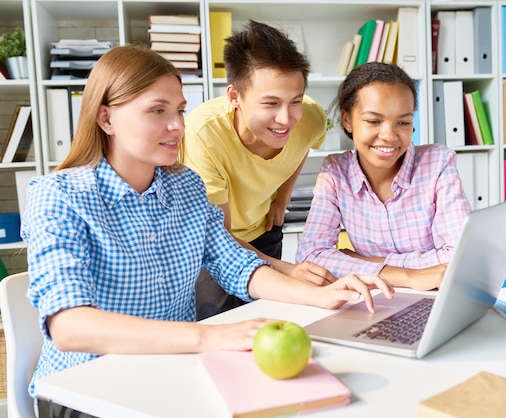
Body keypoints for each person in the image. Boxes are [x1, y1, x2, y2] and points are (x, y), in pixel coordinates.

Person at [20, 45, 394, 405]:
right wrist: (210, 336)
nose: (176, 126)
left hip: (176, 374)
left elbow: (235, 263)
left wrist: (324, 294)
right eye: (157, 111)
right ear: (106, 118)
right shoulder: (58, 196)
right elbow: (69, 327)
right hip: (87, 389)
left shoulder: (185, 186)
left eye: (180, 110)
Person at [184, 20, 335, 316]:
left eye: (295, 101)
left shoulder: (311, 119)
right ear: (234, 97)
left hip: (264, 228)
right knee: (223, 325)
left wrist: (282, 198)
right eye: (270, 103)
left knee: (269, 320)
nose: (286, 118)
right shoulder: (204, 134)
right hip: (214, 242)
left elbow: (303, 146)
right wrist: (285, 270)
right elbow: (221, 237)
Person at [296, 62, 472, 291]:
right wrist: (406, 276)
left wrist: (368, 262)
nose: (389, 135)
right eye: (374, 121)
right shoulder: (335, 172)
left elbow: (460, 257)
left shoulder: (437, 163)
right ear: (348, 119)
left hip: (436, 298)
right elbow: (310, 257)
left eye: (403, 122)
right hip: (373, 299)